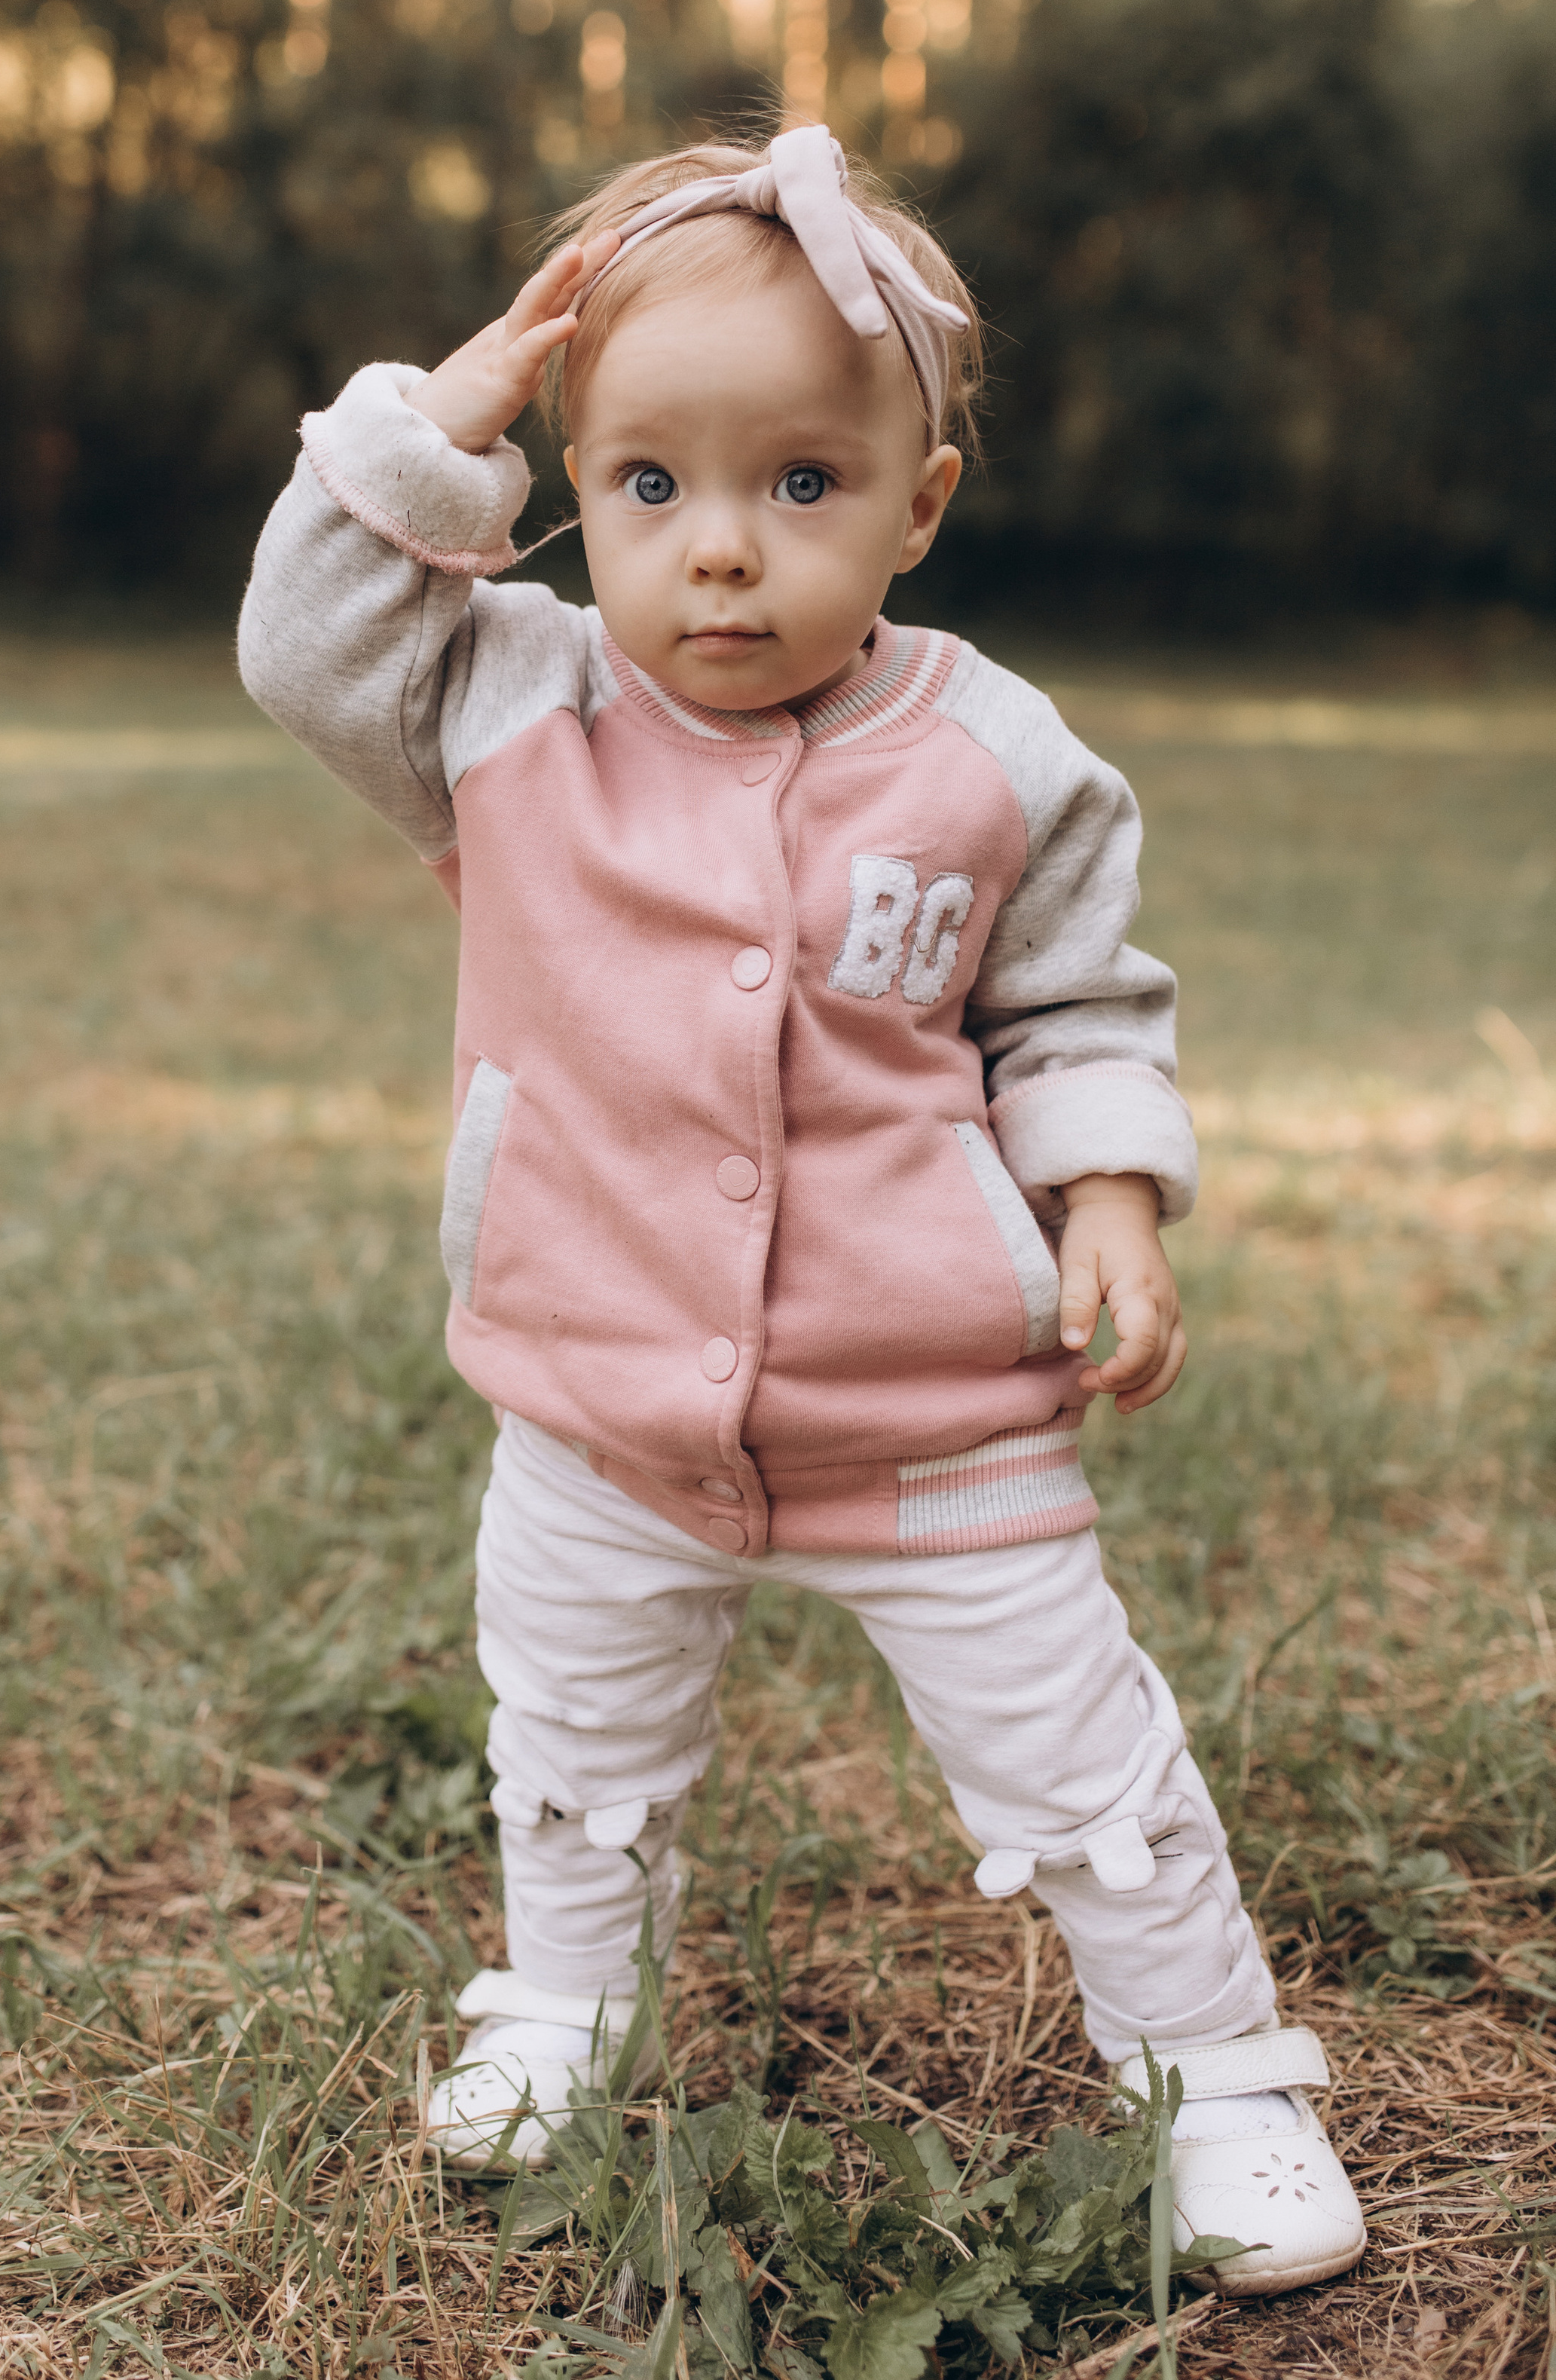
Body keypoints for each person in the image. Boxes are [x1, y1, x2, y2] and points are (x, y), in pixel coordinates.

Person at [237, 127, 1364, 2297]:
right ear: (566, 486)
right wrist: (437, 417)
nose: (722, 557)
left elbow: (1075, 1014)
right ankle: (567, 2005)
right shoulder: (506, 703)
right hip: (596, 1401)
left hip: (933, 1413)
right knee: (574, 1750)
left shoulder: (1001, 760)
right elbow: (306, 641)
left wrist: (1111, 1200)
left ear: (920, 504)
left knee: (1080, 1763)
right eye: (647, 488)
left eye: (803, 488)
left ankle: (1217, 2067)